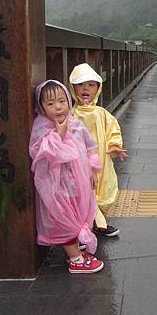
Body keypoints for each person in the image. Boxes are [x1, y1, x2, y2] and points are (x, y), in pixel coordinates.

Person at [29, 80, 104, 274]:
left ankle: (76, 250)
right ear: (41, 107)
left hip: (76, 183)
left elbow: (89, 146)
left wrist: (93, 170)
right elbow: (41, 154)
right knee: (63, 217)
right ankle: (75, 259)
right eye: (51, 103)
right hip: (58, 186)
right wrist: (58, 136)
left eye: (62, 101)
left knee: (78, 213)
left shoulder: (75, 123)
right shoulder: (42, 127)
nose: (58, 107)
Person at [69, 63, 128, 238]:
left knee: (101, 187)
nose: (85, 89)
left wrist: (114, 145)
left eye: (91, 85)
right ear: (73, 89)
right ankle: (93, 224)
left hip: (100, 158)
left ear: (97, 89)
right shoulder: (71, 114)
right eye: (80, 85)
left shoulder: (101, 113)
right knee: (82, 189)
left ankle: (95, 221)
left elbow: (113, 130)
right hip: (79, 160)